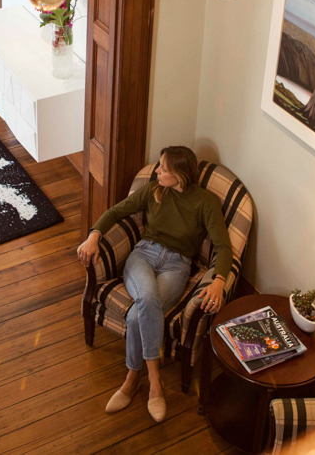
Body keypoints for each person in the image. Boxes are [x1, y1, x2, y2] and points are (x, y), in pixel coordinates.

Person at [76, 146, 233, 423]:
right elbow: (116, 212)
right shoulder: (153, 191)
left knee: (139, 313)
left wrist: (220, 279)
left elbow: (222, 246)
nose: (157, 171)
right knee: (147, 299)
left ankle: (132, 376)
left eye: (163, 168)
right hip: (143, 256)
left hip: (177, 265)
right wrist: (94, 235)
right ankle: (155, 380)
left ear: (180, 174)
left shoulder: (204, 203)